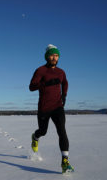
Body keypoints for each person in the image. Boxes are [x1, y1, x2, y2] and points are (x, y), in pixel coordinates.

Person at [29, 44, 74, 173]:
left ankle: (65, 161)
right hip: (44, 107)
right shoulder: (40, 70)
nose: (55, 57)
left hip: (58, 106)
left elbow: (65, 82)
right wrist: (45, 83)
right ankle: (35, 137)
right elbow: (31, 87)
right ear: (47, 57)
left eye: (56, 55)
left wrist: (64, 95)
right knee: (43, 131)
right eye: (52, 55)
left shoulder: (61, 72)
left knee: (62, 131)